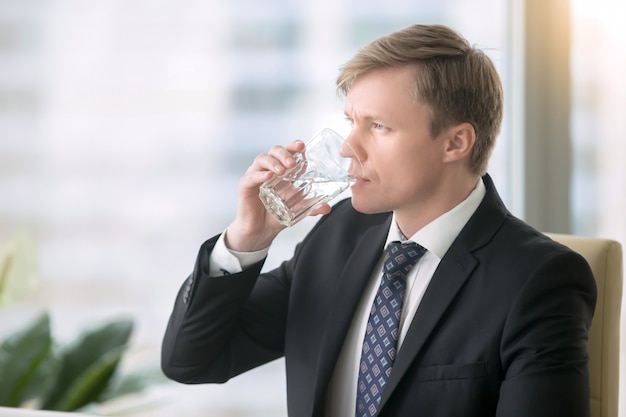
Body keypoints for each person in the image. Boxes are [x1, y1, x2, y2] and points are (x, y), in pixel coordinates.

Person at [161, 24, 597, 417]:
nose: (349, 147)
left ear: (456, 143)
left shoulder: (539, 280)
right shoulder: (338, 235)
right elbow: (193, 360)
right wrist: (247, 239)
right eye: (351, 122)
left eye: (378, 127)